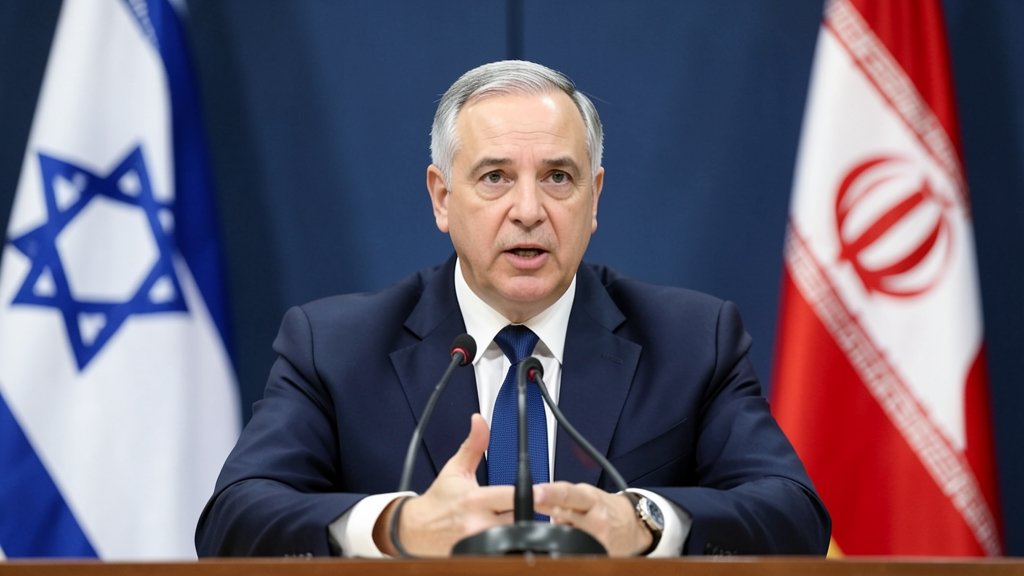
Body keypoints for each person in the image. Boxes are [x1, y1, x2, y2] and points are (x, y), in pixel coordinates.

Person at [195, 60, 830, 558]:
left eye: (558, 177)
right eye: (495, 177)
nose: (528, 210)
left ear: (594, 198)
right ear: (442, 198)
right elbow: (233, 519)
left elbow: (795, 514)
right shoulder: (334, 347)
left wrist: (644, 521)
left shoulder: (692, 341)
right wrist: (396, 525)